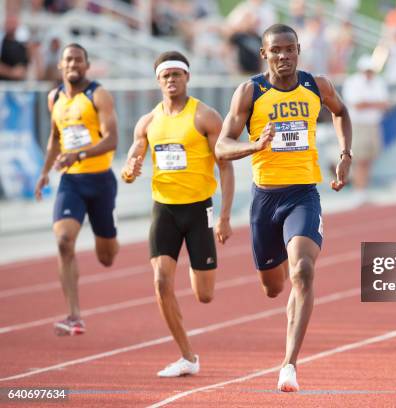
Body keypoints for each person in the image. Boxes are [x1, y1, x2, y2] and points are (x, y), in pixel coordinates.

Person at [215, 23, 352, 392]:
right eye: (276, 50)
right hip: (265, 200)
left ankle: (289, 364)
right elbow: (222, 147)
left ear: (299, 50)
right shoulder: (250, 92)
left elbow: (340, 112)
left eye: (290, 49)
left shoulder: (315, 86)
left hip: (303, 194)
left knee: (303, 271)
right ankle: (290, 302)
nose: (284, 56)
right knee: (274, 288)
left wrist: (344, 154)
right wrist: (254, 146)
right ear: (264, 54)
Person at [121, 51, 234, 377]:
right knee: (160, 282)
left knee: (205, 295)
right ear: (158, 80)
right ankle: (187, 356)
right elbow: (133, 161)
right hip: (164, 210)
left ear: (187, 78)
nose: (171, 80)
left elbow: (225, 168)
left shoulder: (205, 117)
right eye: (165, 75)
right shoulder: (148, 122)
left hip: (200, 210)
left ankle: (196, 261)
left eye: (176, 74)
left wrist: (225, 215)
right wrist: (130, 171)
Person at [34, 43, 120, 336]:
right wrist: (45, 172)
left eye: (78, 60)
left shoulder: (98, 95)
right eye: (68, 60)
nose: (73, 64)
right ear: (60, 65)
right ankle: (74, 316)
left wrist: (80, 155)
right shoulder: (54, 97)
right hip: (71, 182)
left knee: (107, 256)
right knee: (63, 241)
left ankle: (110, 233)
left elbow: (112, 140)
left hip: (100, 180)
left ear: (86, 64)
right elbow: (55, 139)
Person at [342, 55, 389, 203]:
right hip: (358, 125)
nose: (369, 73)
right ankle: (359, 191)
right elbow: (357, 104)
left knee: (370, 159)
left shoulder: (379, 82)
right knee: (360, 159)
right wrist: (375, 104)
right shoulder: (352, 82)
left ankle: (363, 190)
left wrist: (368, 104)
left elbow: (384, 104)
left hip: (373, 124)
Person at [0, 15, 28, 80]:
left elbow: (22, 68)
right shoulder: (1, 42)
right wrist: (11, 72)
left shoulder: (21, 45)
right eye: (9, 23)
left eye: (13, 23)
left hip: (17, 86)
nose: (11, 26)